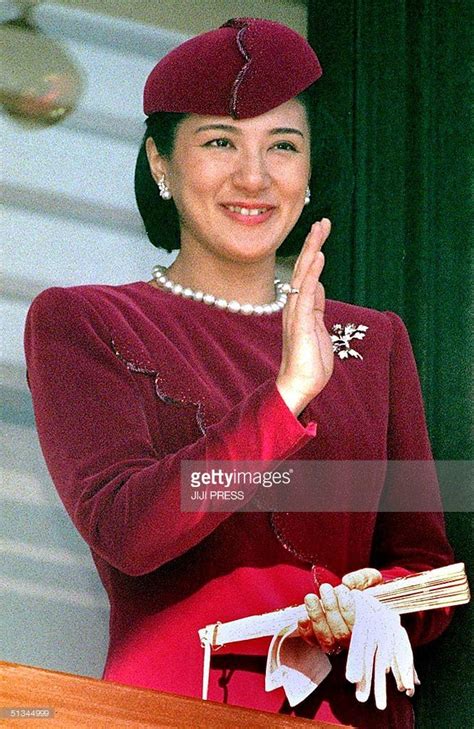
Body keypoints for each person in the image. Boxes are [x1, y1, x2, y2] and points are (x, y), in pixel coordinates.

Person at [24, 18, 454, 728]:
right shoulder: (83, 321)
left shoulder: (373, 340)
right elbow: (128, 530)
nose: (254, 177)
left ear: (311, 169)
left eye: (282, 146)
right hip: (171, 710)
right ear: (160, 163)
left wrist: (373, 602)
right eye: (220, 141)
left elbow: (426, 568)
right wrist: (284, 397)